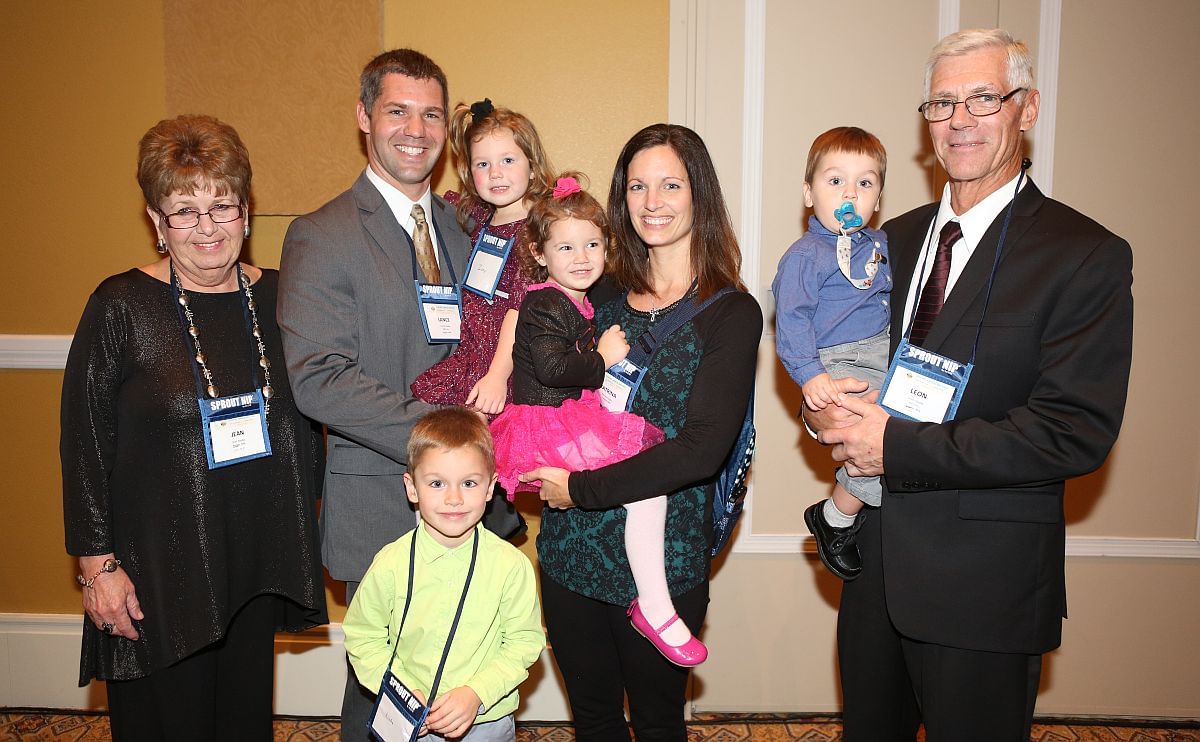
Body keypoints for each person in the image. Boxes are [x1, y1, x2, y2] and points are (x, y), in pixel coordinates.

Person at [811, 29, 1134, 740]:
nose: (959, 120)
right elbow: (846, 359)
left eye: (984, 98)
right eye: (942, 103)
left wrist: (896, 448)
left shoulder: (1083, 255)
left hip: (985, 587)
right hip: (876, 570)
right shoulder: (887, 241)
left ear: (1028, 108)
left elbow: (1071, 432)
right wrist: (828, 407)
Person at [61, 114, 327, 740]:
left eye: (222, 206)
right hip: (158, 573)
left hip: (254, 563)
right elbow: (84, 447)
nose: (207, 227)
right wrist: (97, 569)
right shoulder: (121, 306)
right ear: (157, 221)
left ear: (245, 213)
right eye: (185, 211)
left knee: (240, 724)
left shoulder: (283, 299)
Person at [521, 125, 761, 740]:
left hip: (662, 564)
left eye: (670, 185)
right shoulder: (595, 293)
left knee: (657, 724)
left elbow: (700, 450)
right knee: (594, 719)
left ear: (699, 194)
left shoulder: (731, 313)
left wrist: (580, 489)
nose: (652, 202)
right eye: (637, 186)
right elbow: (537, 360)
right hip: (570, 553)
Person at [276, 49, 475, 736]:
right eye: (397, 111)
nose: (416, 131)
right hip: (383, 505)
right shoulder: (321, 234)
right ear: (364, 117)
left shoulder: (467, 229)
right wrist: (446, 446)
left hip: (473, 505)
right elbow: (319, 379)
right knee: (387, 698)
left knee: (462, 682)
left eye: (431, 115)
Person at [487, 175, 703, 666]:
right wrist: (603, 358)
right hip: (546, 426)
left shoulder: (574, 298)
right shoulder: (546, 301)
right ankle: (655, 607)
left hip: (562, 419)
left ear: (608, 247)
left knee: (643, 491)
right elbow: (552, 369)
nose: (582, 257)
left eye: (592, 244)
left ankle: (652, 604)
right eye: (566, 247)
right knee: (647, 491)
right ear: (540, 254)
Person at [342, 407, 545, 742]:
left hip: (486, 724)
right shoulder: (390, 562)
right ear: (412, 488)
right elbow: (363, 636)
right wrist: (399, 690)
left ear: (490, 488)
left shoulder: (511, 565)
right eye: (437, 483)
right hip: (410, 720)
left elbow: (523, 642)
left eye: (469, 483)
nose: (454, 499)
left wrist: (477, 692)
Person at [771, 127, 891, 581]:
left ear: (877, 198)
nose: (850, 194)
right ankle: (835, 517)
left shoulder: (881, 245)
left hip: (884, 351)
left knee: (904, 430)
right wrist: (810, 375)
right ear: (809, 193)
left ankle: (844, 514)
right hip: (840, 361)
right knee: (874, 439)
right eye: (835, 180)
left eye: (865, 183)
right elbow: (792, 320)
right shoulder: (806, 256)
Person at [410, 99, 554, 414]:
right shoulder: (478, 216)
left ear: (533, 167)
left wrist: (497, 376)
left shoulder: (537, 232)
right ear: (468, 170)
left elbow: (520, 310)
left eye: (508, 160)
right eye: (483, 164)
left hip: (505, 358)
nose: (495, 174)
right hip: (470, 348)